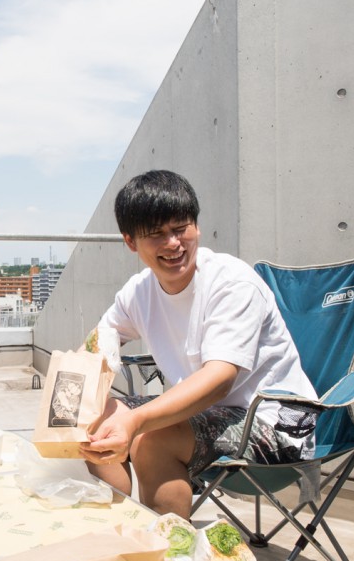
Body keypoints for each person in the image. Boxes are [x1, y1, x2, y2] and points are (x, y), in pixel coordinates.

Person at [81, 169, 317, 518]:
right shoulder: (139, 292)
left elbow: (219, 380)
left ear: (196, 227)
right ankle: (120, 525)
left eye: (180, 229)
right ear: (130, 241)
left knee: (152, 438)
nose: (173, 243)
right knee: (90, 417)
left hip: (275, 423)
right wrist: (75, 395)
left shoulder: (232, 283)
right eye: (157, 234)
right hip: (207, 417)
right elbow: (99, 344)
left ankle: (169, 558)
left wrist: (136, 422)